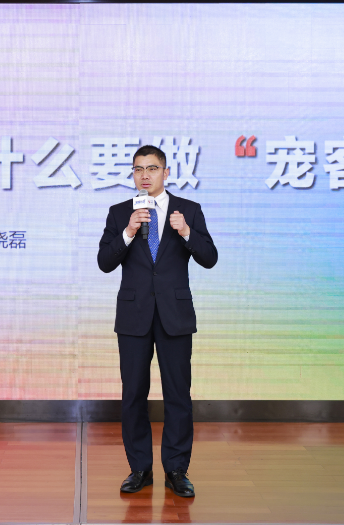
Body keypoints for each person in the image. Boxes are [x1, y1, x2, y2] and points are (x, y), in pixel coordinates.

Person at [96, 145, 218, 498]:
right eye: (138, 169)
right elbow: (104, 262)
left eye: (152, 168)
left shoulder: (188, 210)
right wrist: (128, 232)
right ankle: (140, 468)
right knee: (133, 393)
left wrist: (186, 233)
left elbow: (209, 257)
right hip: (133, 316)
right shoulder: (120, 213)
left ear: (166, 173)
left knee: (178, 394)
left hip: (174, 315)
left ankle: (176, 469)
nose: (144, 175)